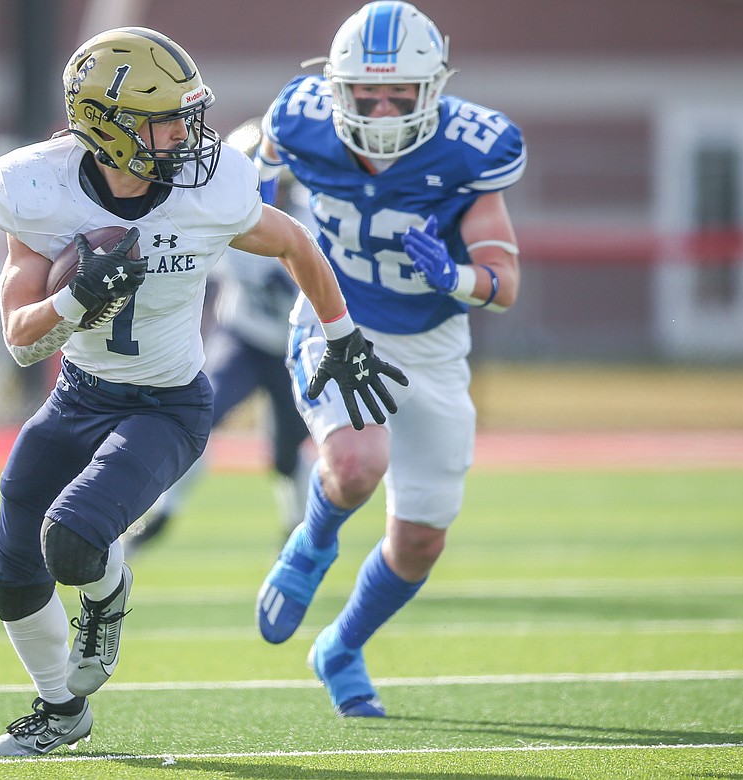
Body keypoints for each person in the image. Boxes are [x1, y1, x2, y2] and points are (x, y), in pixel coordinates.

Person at [0, 26, 407, 757]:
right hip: (79, 394)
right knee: (11, 568)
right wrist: (77, 301)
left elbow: (298, 244)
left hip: (166, 406)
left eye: (188, 112)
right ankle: (60, 714)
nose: (187, 134)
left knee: (74, 544)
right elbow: (22, 338)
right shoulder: (38, 186)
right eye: (165, 119)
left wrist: (341, 337)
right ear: (106, 128)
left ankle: (107, 596)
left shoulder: (211, 190)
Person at [253, 1, 526, 718]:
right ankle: (311, 546)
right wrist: (250, 212)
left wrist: (456, 278)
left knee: (420, 544)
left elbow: (504, 282)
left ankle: (339, 647)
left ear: (431, 88)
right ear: (335, 86)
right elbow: (259, 180)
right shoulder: (300, 117)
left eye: (398, 91)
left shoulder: (472, 147)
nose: (378, 106)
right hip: (338, 318)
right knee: (354, 465)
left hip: (433, 348)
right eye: (364, 91)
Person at [121, 118, 314, 555]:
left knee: (287, 450)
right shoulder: (217, 219)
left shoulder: (311, 225)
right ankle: (162, 515)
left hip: (294, 346)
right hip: (242, 336)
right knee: (196, 420)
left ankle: (297, 530)